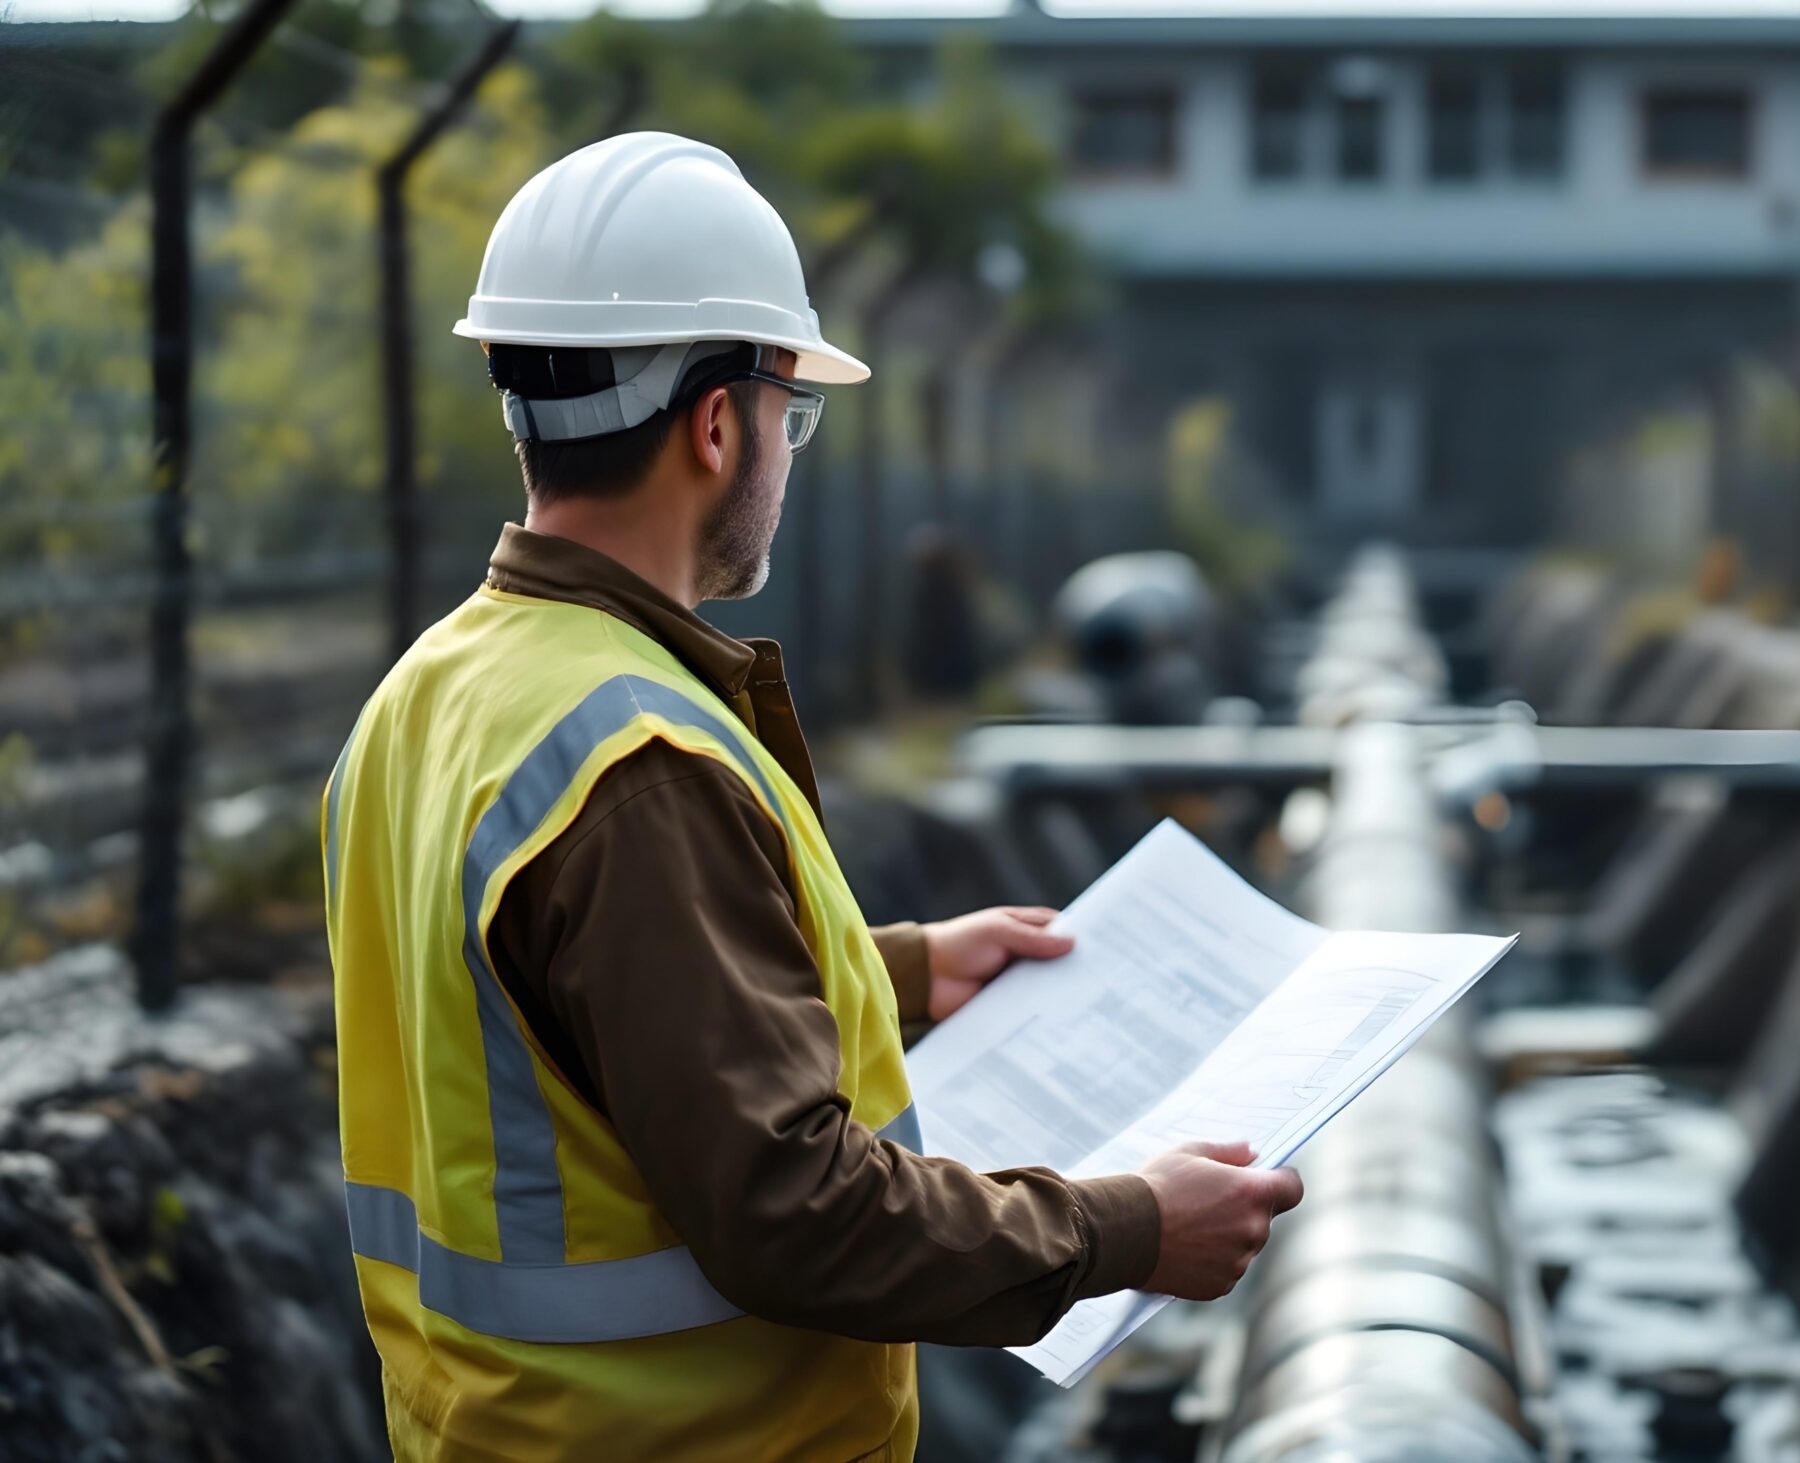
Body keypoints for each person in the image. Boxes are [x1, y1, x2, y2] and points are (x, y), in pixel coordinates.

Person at [321, 132, 1303, 1462]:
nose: (789, 452)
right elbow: (797, 1212)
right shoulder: (638, 762)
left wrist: (896, 969)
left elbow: (562, 1009)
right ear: (719, 423)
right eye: (795, 413)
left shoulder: (431, 698)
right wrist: (1127, 1226)